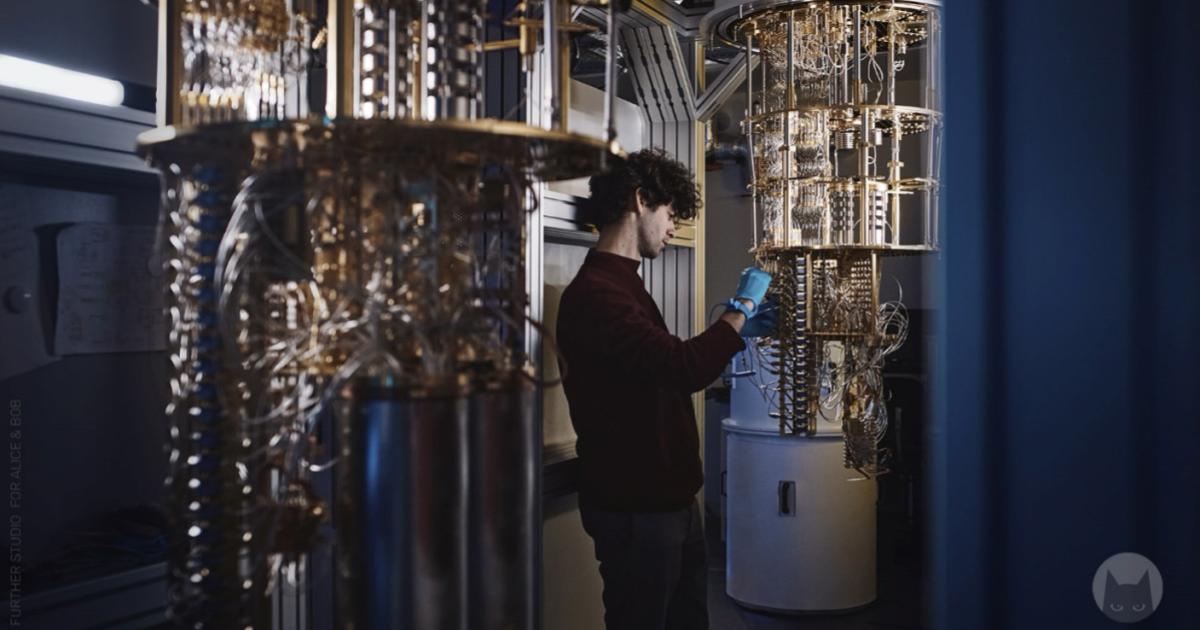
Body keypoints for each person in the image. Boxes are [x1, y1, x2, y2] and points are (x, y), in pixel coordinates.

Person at [555, 148, 777, 630]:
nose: (674, 227)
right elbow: (681, 368)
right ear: (640, 200)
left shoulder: (624, 285)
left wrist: (738, 331)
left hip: (666, 502)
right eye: (671, 213)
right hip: (636, 509)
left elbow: (658, 367)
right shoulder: (597, 294)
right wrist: (738, 311)